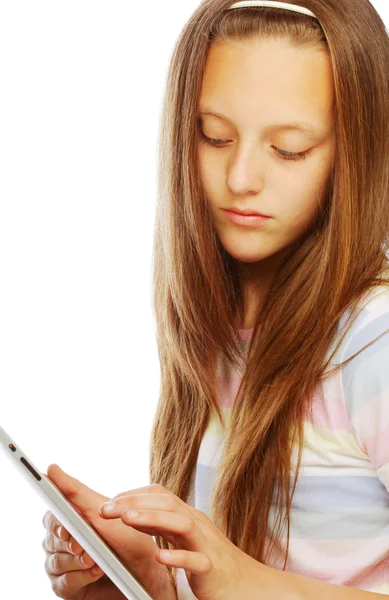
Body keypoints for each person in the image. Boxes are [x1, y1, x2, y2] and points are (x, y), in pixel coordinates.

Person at [41, 1, 389, 599]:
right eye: (215, 137)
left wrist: (239, 577)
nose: (240, 177)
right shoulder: (217, 329)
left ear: (355, 155)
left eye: (290, 149)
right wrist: (156, 580)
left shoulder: (372, 341)